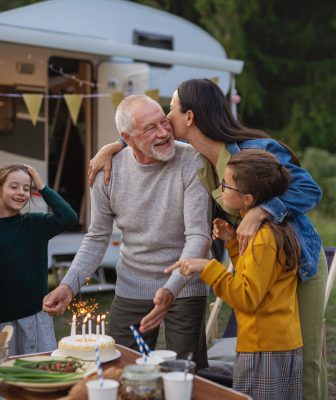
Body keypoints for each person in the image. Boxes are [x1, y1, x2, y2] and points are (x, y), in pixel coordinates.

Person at [89, 79, 328, 399]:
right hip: (256, 264)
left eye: (169, 111)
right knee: (269, 355)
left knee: (304, 357)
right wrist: (113, 146)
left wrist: (260, 212)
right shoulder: (201, 163)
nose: (165, 119)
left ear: (188, 117)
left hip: (295, 261)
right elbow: (140, 138)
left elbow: (310, 189)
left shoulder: (253, 151)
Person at [43, 94, 213, 368]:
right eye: (150, 128)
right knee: (119, 368)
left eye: (163, 122)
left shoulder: (192, 161)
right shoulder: (106, 172)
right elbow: (97, 237)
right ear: (127, 138)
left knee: (185, 374)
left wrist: (171, 289)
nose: (163, 133)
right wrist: (68, 284)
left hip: (183, 286)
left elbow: (199, 236)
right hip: (132, 284)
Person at [166, 149, 304, 399]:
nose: (220, 188)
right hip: (278, 344)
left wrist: (207, 268)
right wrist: (232, 242)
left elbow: (246, 297)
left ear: (248, 199)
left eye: (226, 184)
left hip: (263, 350)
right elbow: (254, 277)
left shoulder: (263, 239)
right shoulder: (271, 229)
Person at [0, 163, 77, 355]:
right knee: (6, 378)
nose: (21, 193)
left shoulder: (36, 224)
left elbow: (69, 217)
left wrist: (42, 187)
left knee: (42, 374)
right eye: (14, 186)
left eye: (27, 188)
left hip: (38, 318)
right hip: (2, 322)